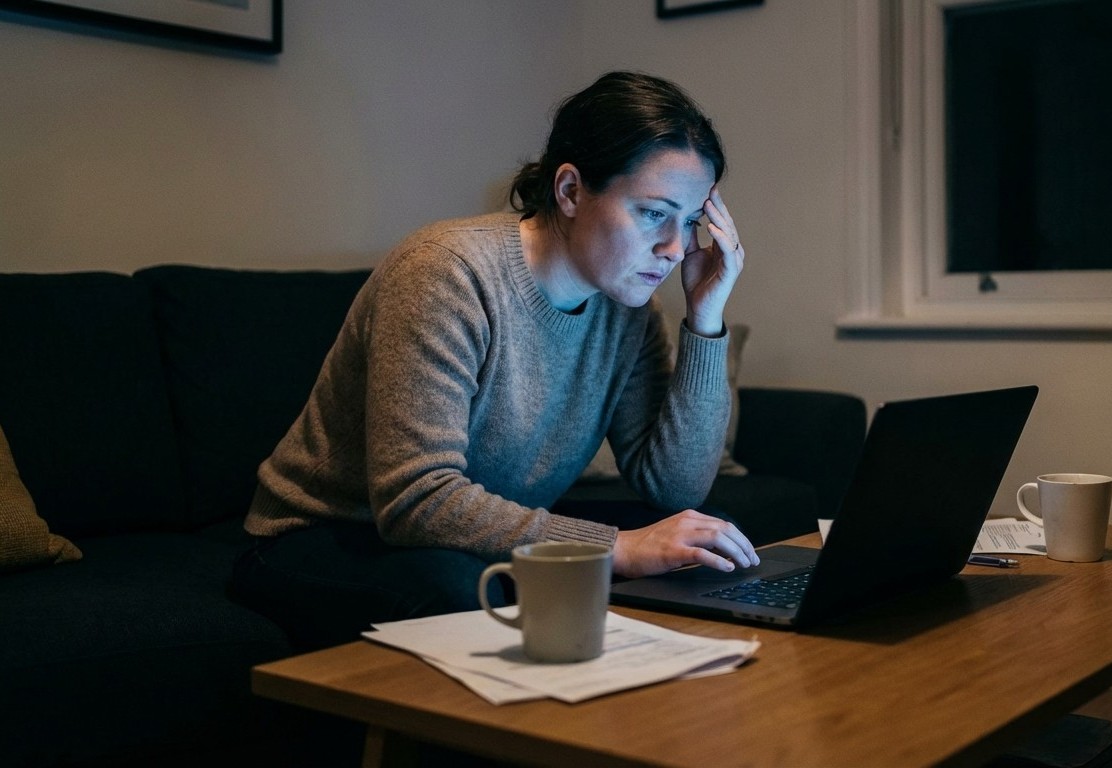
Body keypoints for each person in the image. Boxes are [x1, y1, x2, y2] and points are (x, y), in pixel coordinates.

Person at [229, 71, 759, 650]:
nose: (676, 249)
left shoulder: (628, 309)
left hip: (462, 530)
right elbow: (415, 498)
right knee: (457, 589)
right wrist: (616, 547)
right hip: (324, 533)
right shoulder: (445, 273)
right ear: (570, 191)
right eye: (654, 213)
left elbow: (675, 487)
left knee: (701, 543)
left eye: (690, 222)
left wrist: (705, 319)